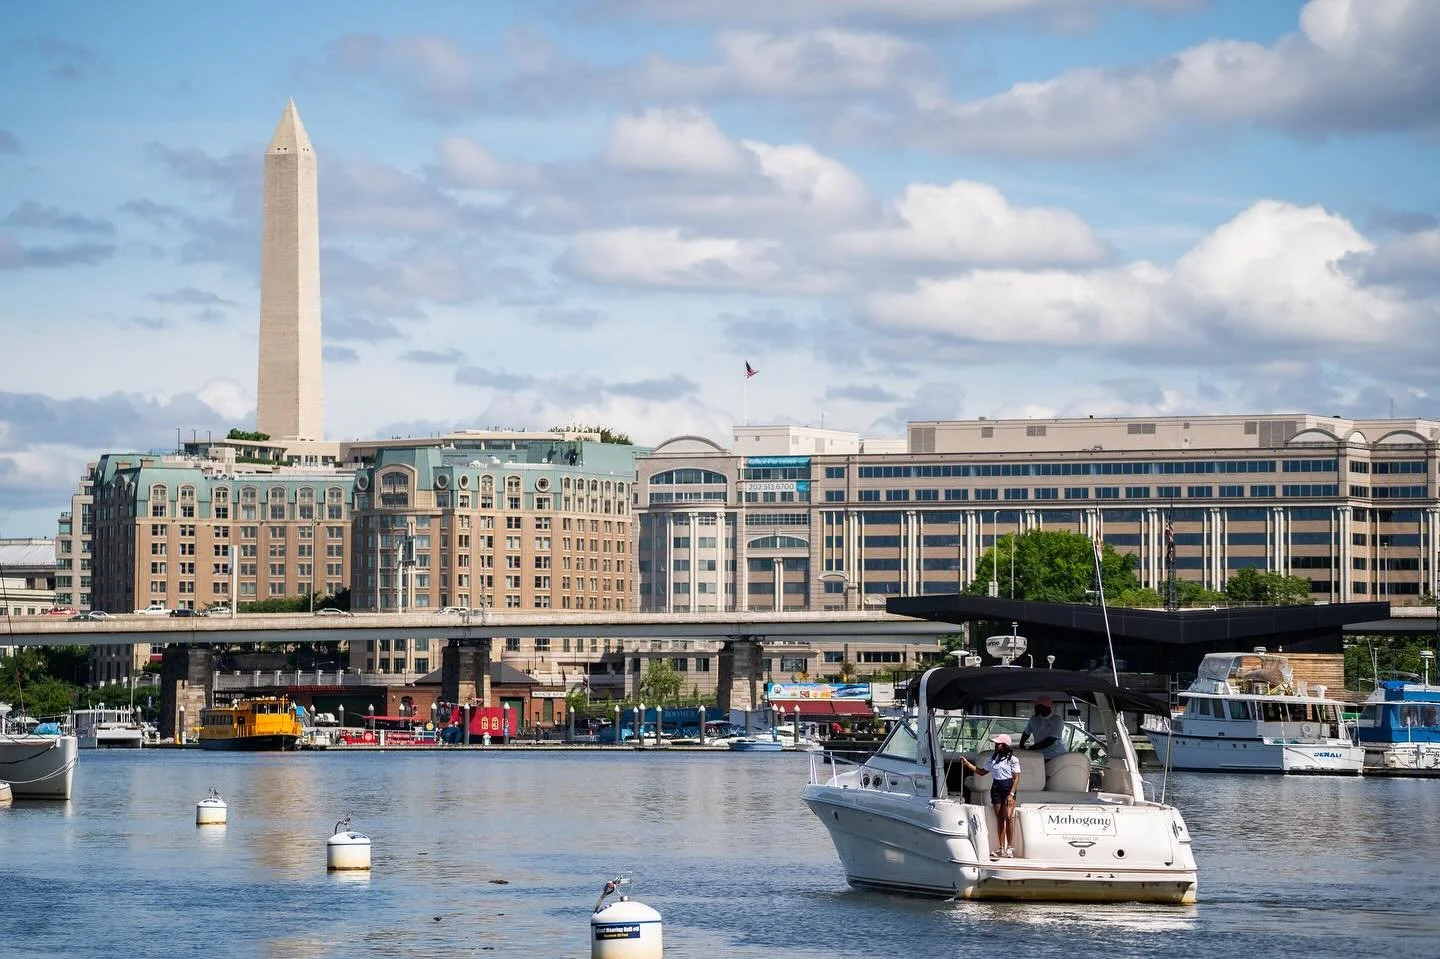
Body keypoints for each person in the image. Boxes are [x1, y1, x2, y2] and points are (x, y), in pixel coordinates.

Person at [959, 733, 1022, 858]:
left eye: (997, 744)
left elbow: (1016, 778)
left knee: (1009, 817)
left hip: (1008, 788)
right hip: (996, 788)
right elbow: (981, 772)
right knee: (1000, 818)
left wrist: (1011, 794)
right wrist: (967, 764)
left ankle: (1009, 847)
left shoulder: (1013, 760)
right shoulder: (993, 759)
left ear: (1004, 746)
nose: (995, 745)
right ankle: (1001, 848)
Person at [1019, 695, 1067, 761]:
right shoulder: (1034, 718)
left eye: (1037, 706)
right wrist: (1021, 745)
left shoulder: (1057, 720)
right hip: (1040, 755)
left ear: (1044, 707)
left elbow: (1051, 739)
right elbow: (1026, 733)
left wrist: (1032, 748)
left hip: (1056, 755)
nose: (1035, 707)